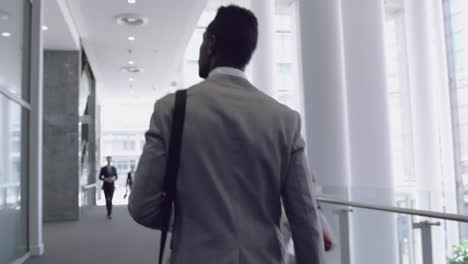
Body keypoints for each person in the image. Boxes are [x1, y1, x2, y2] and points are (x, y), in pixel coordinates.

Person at [129, 5, 324, 264]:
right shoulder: (285, 120)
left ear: (211, 43)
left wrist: (192, 223)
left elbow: (142, 206)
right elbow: (305, 220)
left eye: (201, 43)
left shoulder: (171, 110)